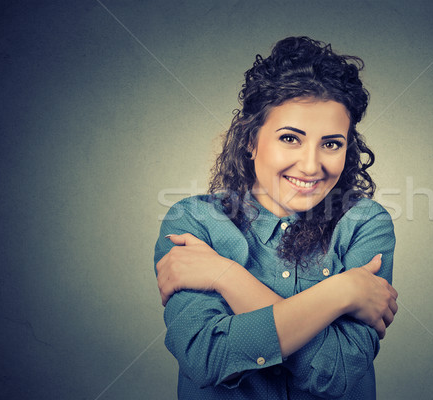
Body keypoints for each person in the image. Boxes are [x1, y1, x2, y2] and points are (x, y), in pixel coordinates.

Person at [154, 36, 398, 399]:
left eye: (331, 143)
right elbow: (207, 358)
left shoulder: (365, 224)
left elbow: (339, 374)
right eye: (290, 138)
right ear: (251, 140)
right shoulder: (193, 222)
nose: (312, 165)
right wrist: (341, 291)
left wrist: (224, 276)